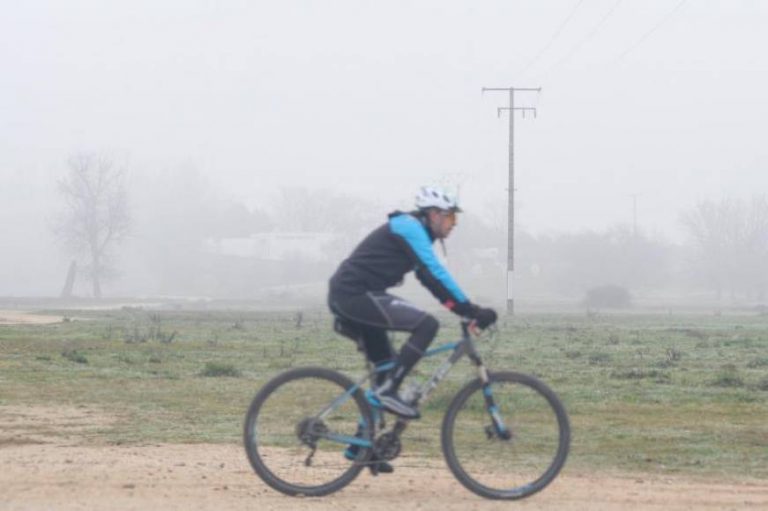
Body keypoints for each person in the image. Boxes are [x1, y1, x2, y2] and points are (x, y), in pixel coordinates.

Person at [328, 186, 498, 472]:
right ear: (434, 214)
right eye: (451, 218)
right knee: (426, 325)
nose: (454, 224)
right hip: (354, 295)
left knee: (385, 366)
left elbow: (430, 281)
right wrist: (471, 310)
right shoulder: (409, 227)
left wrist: (462, 311)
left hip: (356, 297)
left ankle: (362, 447)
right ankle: (389, 391)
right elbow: (434, 271)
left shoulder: (416, 232)